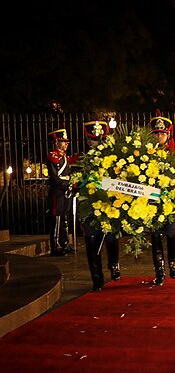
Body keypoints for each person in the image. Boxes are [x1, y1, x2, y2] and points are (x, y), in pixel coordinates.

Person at [78, 119, 121, 291]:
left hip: (108, 204)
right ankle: (96, 278)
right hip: (89, 207)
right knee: (92, 241)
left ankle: (114, 264)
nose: (96, 143)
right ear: (88, 141)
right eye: (93, 140)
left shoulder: (112, 160)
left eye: (99, 140)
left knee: (111, 237)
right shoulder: (80, 161)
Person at [150, 113, 175, 285]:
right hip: (151, 203)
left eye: (162, 133)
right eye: (156, 133)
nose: (159, 137)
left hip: (170, 201)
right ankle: (159, 270)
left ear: (168, 135)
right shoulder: (145, 155)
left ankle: (173, 263)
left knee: (171, 233)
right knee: (155, 235)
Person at [46, 128, 78, 256]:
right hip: (58, 190)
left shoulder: (64, 157)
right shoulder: (53, 156)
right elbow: (55, 177)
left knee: (65, 216)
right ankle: (55, 246)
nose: (66, 144)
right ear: (56, 142)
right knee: (57, 217)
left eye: (66, 141)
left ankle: (65, 244)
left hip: (66, 189)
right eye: (63, 141)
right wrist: (66, 183)